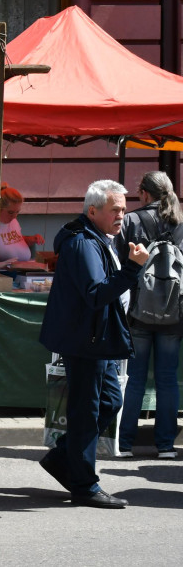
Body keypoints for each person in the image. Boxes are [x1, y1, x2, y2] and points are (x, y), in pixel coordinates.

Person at [38, 179, 148, 509]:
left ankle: (63, 458)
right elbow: (96, 294)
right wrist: (132, 269)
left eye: (124, 210)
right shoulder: (83, 243)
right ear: (93, 211)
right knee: (87, 411)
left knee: (110, 401)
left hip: (97, 338)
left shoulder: (97, 238)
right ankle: (84, 485)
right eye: (115, 210)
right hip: (86, 340)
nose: (121, 216)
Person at [113, 171, 183, 459]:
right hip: (173, 313)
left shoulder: (130, 221)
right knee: (167, 379)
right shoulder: (179, 222)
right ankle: (165, 445)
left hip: (138, 311)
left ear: (143, 193)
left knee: (135, 378)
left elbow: (117, 264)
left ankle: (125, 443)